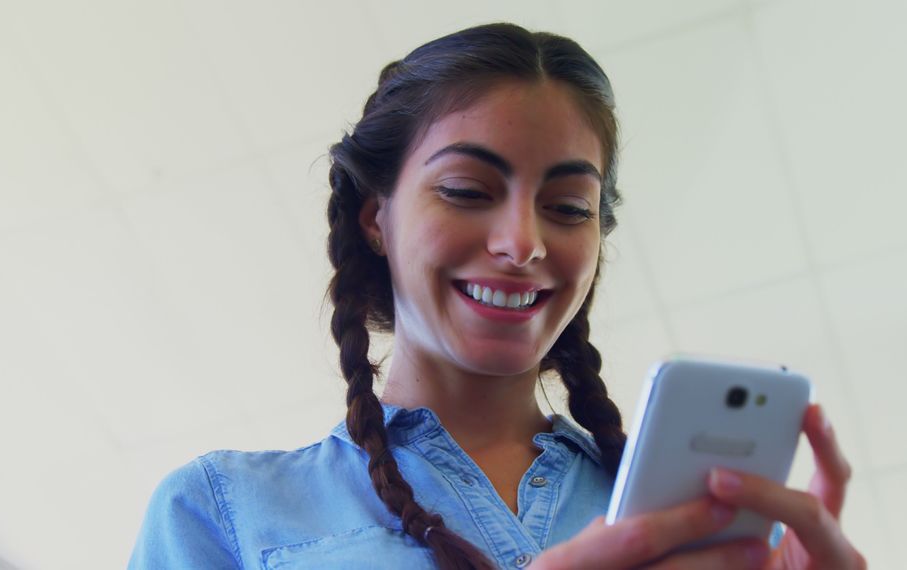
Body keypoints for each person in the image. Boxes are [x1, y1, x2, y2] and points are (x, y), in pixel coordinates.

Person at [128, 23, 865, 570]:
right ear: (374, 218)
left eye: (569, 207)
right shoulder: (225, 513)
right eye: (467, 191)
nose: (524, 242)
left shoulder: (705, 527)